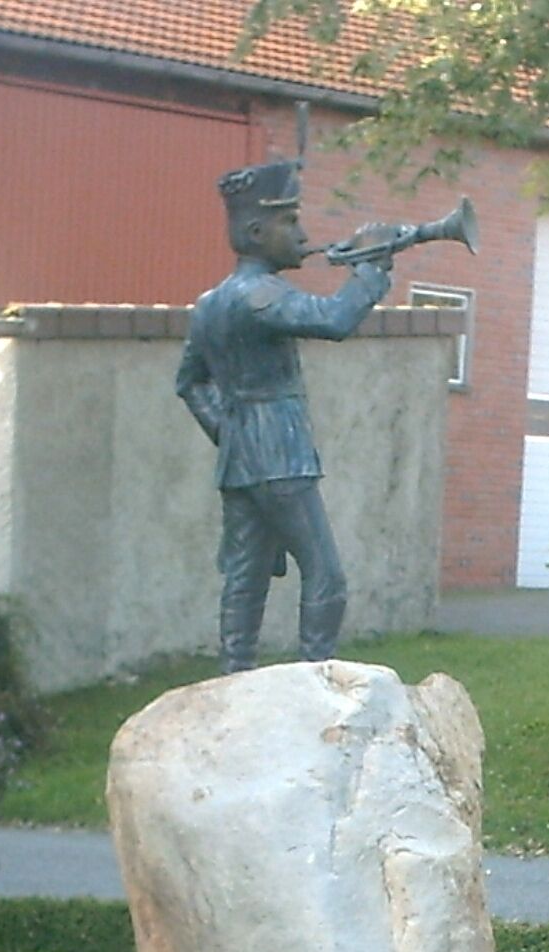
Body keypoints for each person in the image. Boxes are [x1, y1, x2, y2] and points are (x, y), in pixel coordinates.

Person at [175, 155, 394, 673]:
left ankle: (235, 678)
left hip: (240, 461)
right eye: (289, 221)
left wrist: (228, 433)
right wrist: (372, 268)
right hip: (282, 454)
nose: (302, 232)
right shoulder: (261, 294)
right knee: (325, 573)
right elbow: (336, 319)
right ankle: (315, 679)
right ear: (255, 231)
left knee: (245, 576)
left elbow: (189, 383)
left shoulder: (209, 303)